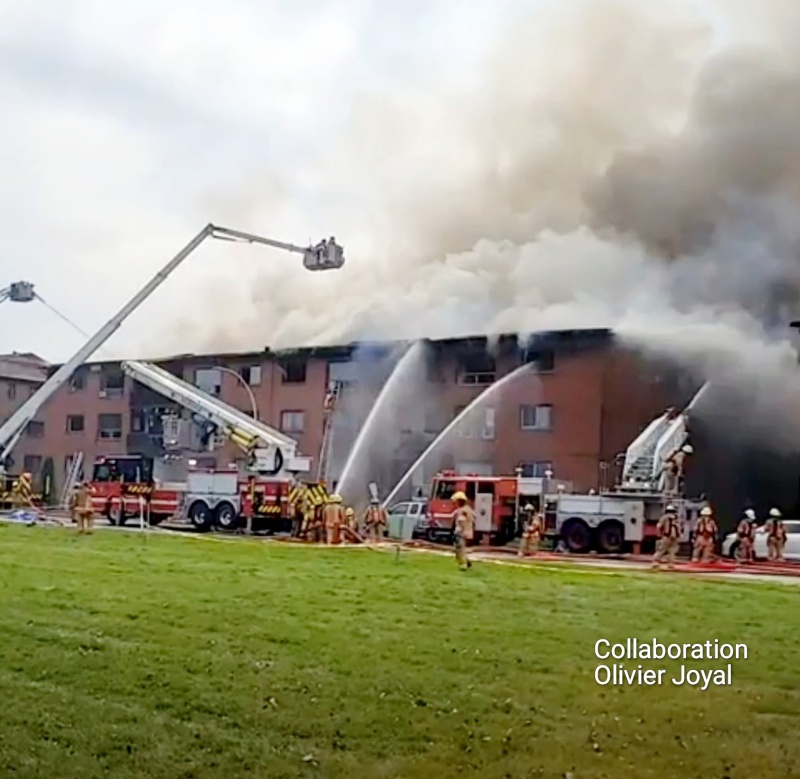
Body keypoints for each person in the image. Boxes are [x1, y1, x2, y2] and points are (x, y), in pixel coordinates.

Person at [451, 491, 476, 571]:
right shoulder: (469, 509)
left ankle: (463, 565)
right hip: (468, 532)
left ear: (459, 501)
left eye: (456, 501)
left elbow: (461, 522)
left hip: (461, 532)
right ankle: (467, 562)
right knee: (461, 548)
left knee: (459, 549)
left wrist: (457, 531)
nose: (455, 503)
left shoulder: (462, 511)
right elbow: (474, 518)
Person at [652, 504, 681, 569]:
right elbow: (679, 528)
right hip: (671, 536)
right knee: (670, 551)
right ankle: (669, 563)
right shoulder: (675, 518)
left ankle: (657, 562)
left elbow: (658, 526)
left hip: (668, 536)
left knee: (664, 550)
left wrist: (659, 535)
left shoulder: (665, 517)